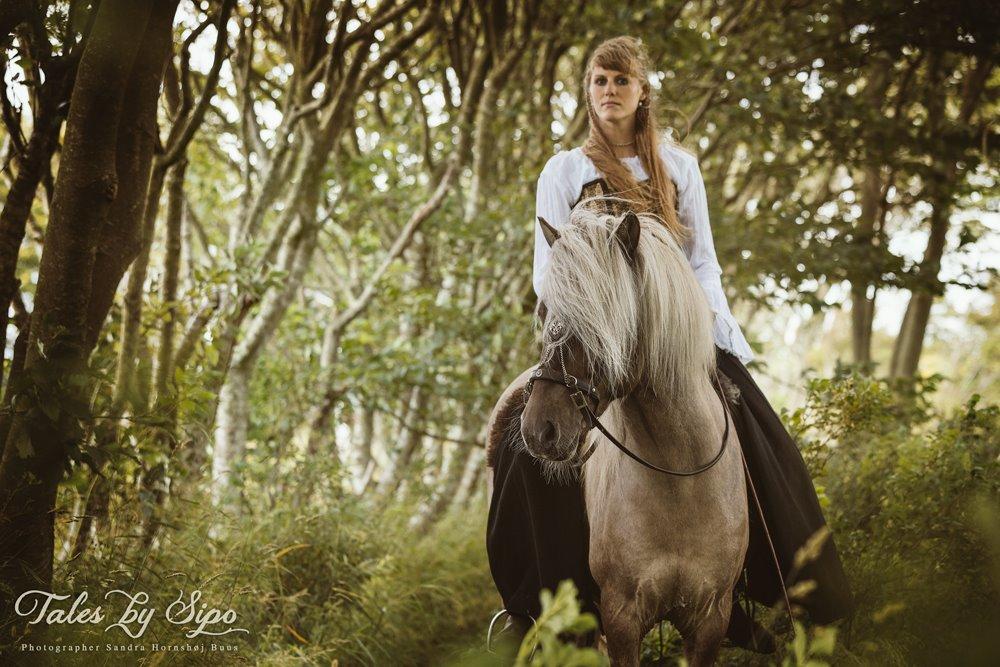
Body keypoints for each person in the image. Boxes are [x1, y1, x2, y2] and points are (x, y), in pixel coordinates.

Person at [485, 36, 853, 652]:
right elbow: (547, 270)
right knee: (532, 436)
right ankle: (536, 607)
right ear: (589, 91)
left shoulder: (678, 167)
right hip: (591, 330)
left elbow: (701, 261)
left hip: (673, 334)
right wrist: (585, 321)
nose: (608, 91)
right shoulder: (565, 170)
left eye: (620, 81)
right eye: (599, 81)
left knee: (762, 435)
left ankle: (788, 596)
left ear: (642, 90)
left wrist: (714, 328)